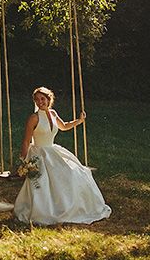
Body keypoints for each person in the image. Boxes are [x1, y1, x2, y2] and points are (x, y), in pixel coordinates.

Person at [13, 86, 111, 225]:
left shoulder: (53, 113)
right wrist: (23, 161)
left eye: (43, 99)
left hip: (52, 150)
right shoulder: (34, 118)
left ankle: (67, 206)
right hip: (39, 153)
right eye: (37, 100)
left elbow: (64, 126)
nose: (40, 102)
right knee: (44, 182)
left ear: (49, 99)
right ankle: (44, 211)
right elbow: (26, 140)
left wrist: (79, 120)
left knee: (75, 171)